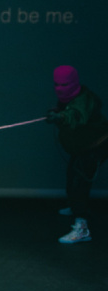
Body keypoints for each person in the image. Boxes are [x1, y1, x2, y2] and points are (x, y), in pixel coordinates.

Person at [46, 65, 108, 244]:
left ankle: (82, 227)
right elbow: (68, 110)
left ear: (74, 83)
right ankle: (75, 207)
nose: (59, 89)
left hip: (95, 146)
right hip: (82, 148)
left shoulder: (85, 100)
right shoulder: (68, 99)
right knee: (72, 176)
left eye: (64, 85)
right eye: (56, 84)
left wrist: (61, 117)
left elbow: (77, 115)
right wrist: (57, 112)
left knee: (80, 182)